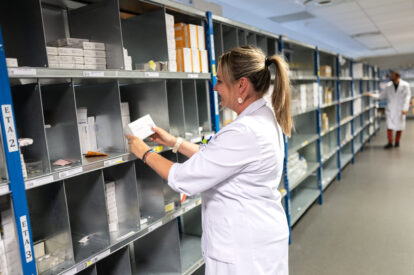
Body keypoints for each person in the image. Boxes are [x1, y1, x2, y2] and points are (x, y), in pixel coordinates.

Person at [126, 46, 292, 275]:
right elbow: (216, 159)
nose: (215, 87)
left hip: (243, 249)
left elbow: (182, 177)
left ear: (242, 85)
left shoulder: (244, 131)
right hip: (260, 237)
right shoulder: (264, 116)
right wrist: (174, 141)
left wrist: (144, 152)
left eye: (220, 81)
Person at [367, 71, 411, 149]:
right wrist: (372, 95)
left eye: (393, 75)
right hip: (391, 109)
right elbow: (381, 96)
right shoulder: (388, 86)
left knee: (399, 127)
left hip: (401, 109)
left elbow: (407, 98)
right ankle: (390, 142)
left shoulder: (405, 85)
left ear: (397, 76)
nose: (391, 76)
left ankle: (397, 142)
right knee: (389, 127)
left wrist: (405, 108)